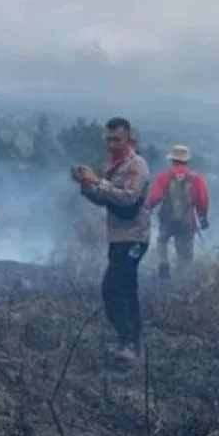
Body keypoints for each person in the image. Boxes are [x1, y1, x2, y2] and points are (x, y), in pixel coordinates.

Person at [71, 117, 151, 362]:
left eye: (117, 139)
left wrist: (97, 182)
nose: (112, 144)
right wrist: (86, 185)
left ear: (129, 139)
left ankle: (127, 342)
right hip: (118, 237)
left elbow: (128, 199)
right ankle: (132, 344)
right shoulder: (114, 167)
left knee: (112, 287)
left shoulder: (136, 166)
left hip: (134, 237)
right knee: (127, 290)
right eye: (109, 139)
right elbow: (105, 199)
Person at [147, 144, 210, 279]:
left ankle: (164, 262)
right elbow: (202, 200)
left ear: (172, 160)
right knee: (185, 254)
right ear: (187, 160)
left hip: (167, 219)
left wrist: (148, 208)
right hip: (187, 221)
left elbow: (155, 197)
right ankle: (182, 281)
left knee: (162, 241)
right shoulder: (196, 179)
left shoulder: (164, 177)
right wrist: (203, 217)